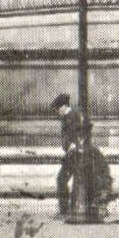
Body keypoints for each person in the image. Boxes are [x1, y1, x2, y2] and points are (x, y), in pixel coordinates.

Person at [51, 91, 83, 219]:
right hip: (72, 155)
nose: (57, 112)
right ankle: (69, 210)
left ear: (63, 106)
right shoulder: (68, 116)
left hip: (75, 155)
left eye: (57, 109)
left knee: (62, 180)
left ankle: (65, 211)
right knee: (70, 181)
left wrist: (75, 145)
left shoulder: (72, 116)